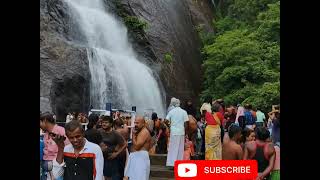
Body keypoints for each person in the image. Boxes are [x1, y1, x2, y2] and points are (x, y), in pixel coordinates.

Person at [40, 112, 70, 180]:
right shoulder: (46, 134)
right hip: (47, 168)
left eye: (40, 122)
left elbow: (68, 147)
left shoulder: (61, 131)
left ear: (44, 121)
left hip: (57, 165)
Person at [98, 116, 127, 180]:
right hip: (101, 158)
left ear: (111, 124)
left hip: (111, 160)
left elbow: (125, 144)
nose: (104, 124)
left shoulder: (115, 133)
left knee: (111, 177)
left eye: (106, 122)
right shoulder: (99, 131)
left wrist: (116, 154)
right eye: (103, 122)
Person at [124, 116, 152, 180]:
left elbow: (136, 147)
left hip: (140, 159)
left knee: (139, 177)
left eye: (137, 123)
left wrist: (133, 134)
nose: (135, 125)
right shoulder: (140, 131)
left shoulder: (144, 132)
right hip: (137, 158)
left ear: (143, 123)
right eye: (135, 123)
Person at [165, 98, 189, 169]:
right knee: (180, 149)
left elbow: (165, 120)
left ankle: (172, 164)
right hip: (181, 132)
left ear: (174, 104)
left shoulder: (171, 112)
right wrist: (185, 131)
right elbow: (186, 123)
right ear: (179, 104)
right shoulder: (183, 112)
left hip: (174, 132)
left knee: (172, 148)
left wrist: (170, 125)